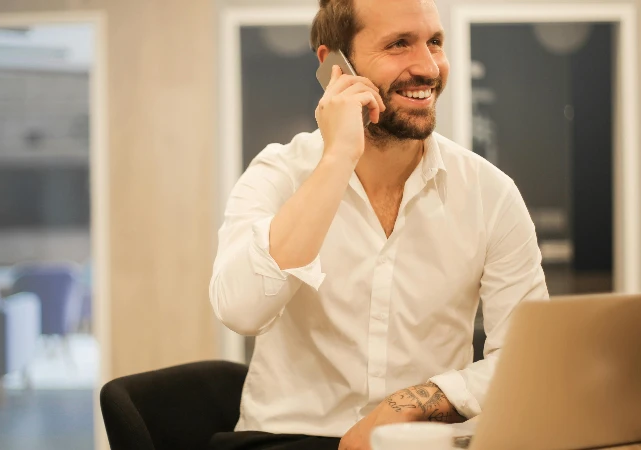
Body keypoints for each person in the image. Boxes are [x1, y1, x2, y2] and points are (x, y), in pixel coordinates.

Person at [209, 0, 549, 448]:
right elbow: (241, 311)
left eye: (434, 42)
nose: (427, 67)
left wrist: (409, 404)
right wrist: (337, 160)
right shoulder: (278, 173)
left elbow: (527, 359)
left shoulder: (491, 193)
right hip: (288, 437)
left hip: (421, 440)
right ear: (334, 64)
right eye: (399, 44)